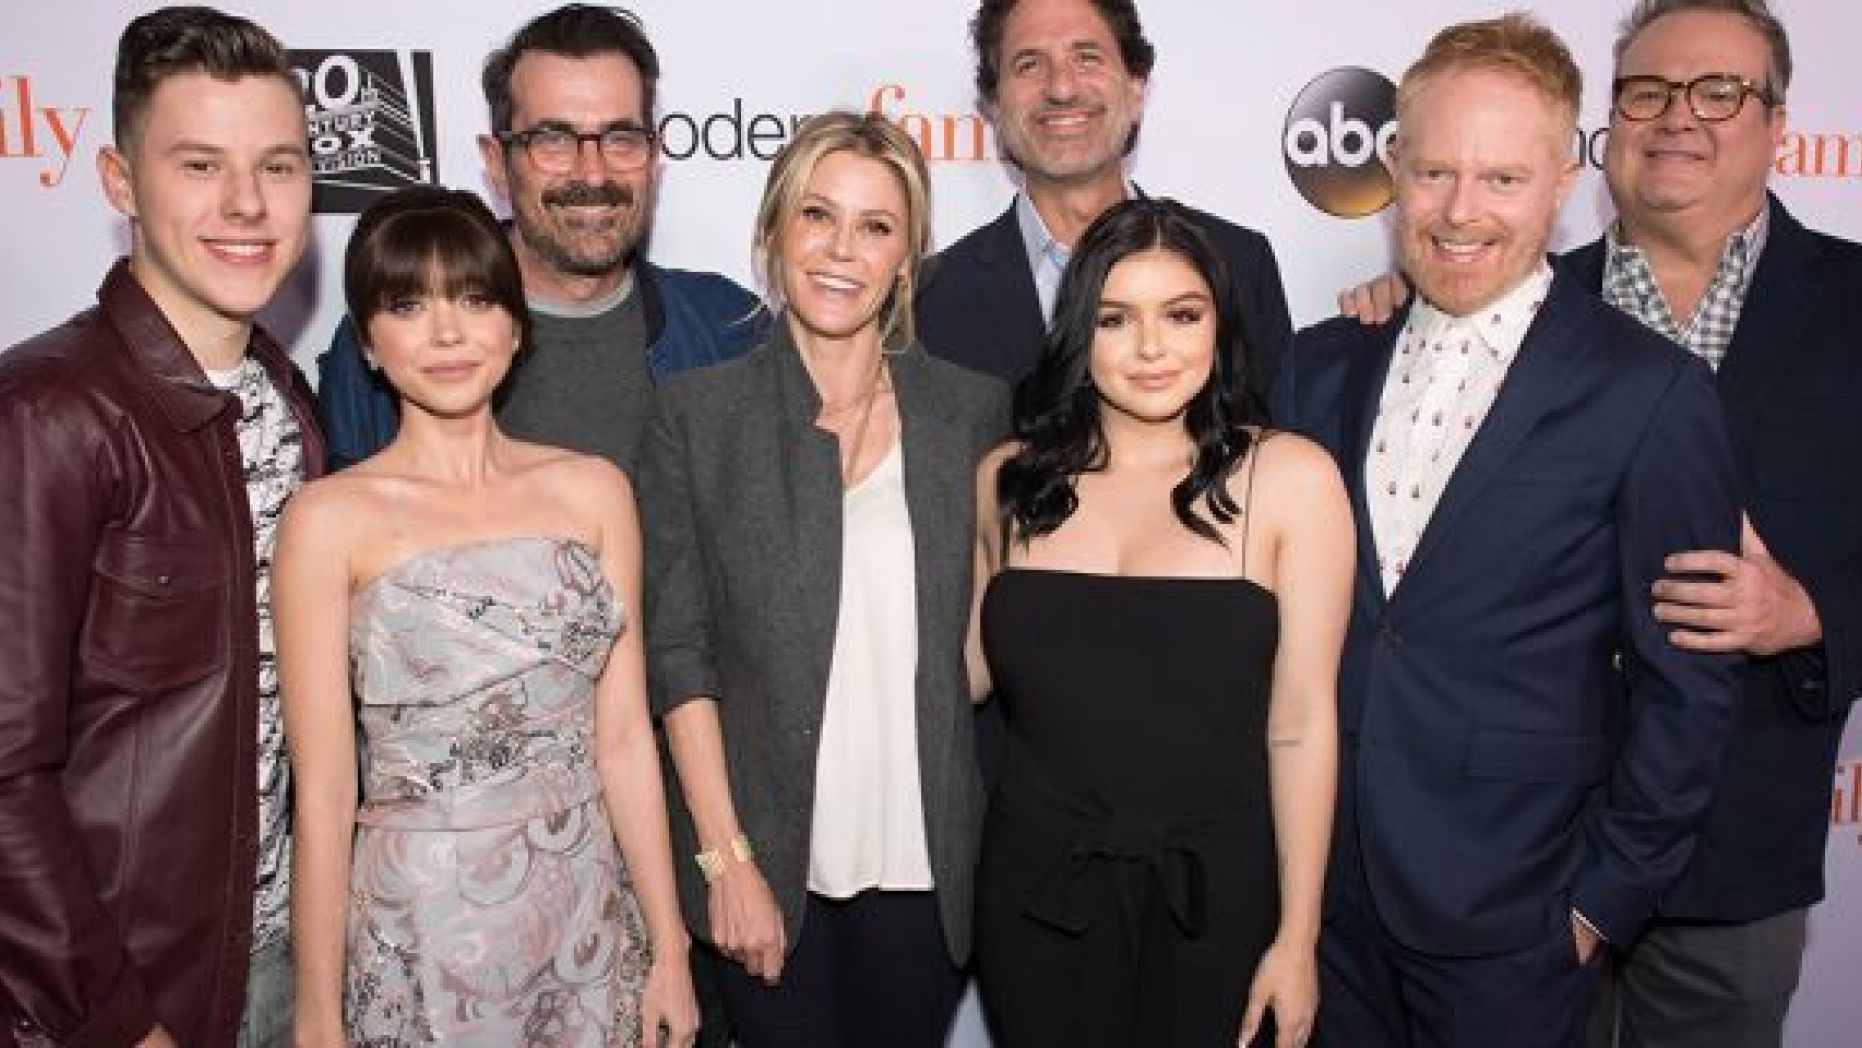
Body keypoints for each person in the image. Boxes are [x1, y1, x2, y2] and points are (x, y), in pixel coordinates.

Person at [1334, 5, 1862, 1042]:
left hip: (1729, 847)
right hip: (1484, 867)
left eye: (1717, 91)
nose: (1677, 117)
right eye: (1646, 92)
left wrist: (1812, 613)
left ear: (1776, 120)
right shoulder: (1503, 299)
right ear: (1603, 127)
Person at [1281, 15, 1743, 1047]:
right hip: (1317, 903)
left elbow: (1687, 683)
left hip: (1514, 925)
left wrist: (1594, 906)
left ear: (1558, 184)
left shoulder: (1649, 391)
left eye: (1498, 179)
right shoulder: (1316, 368)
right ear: (1394, 169)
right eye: (1435, 171)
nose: (1457, 211)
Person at [277, 186, 695, 1047]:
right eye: (406, 304)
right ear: (367, 341)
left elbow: (621, 740)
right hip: (420, 924)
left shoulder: (594, 491)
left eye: (474, 298)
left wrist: (670, 949)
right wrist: (317, 1016)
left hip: (587, 911)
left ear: (514, 322)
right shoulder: (327, 520)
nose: (447, 332)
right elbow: (323, 787)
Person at [637, 111, 1008, 1048]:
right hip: (765, 866)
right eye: (818, 216)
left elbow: (980, 644)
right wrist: (727, 863)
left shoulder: (968, 412)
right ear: (773, 231)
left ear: (907, 254)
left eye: (876, 226)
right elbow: (680, 657)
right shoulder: (696, 418)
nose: (843, 250)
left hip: (925, 870)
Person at [0, 9, 321, 1046]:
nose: (245, 204)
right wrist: (112, 1018)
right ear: (118, 180)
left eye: (277, 165)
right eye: (198, 164)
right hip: (119, 997)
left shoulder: (282, 389)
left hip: (273, 965)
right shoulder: (45, 411)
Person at [971, 197, 1350, 1048]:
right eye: (1116, 318)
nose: (1151, 347)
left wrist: (1298, 938)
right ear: (1080, 330)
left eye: (1181, 315)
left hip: (1221, 899)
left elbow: (1301, 727)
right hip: (1037, 897)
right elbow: (960, 672)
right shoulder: (1010, 480)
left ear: (1220, 325)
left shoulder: (1290, 479)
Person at [314, 4, 764, 475]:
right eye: (554, 140)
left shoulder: (727, 329)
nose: (593, 172)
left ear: (653, 156)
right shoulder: (400, 337)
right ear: (496, 163)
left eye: (620, 138)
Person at [916, 0, 1293, 396]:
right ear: (993, 104)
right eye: (1029, 64)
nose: (1061, 88)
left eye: (1087, 58)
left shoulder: (1238, 263)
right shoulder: (932, 300)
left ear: (1135, 88)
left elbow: (1277, 446)